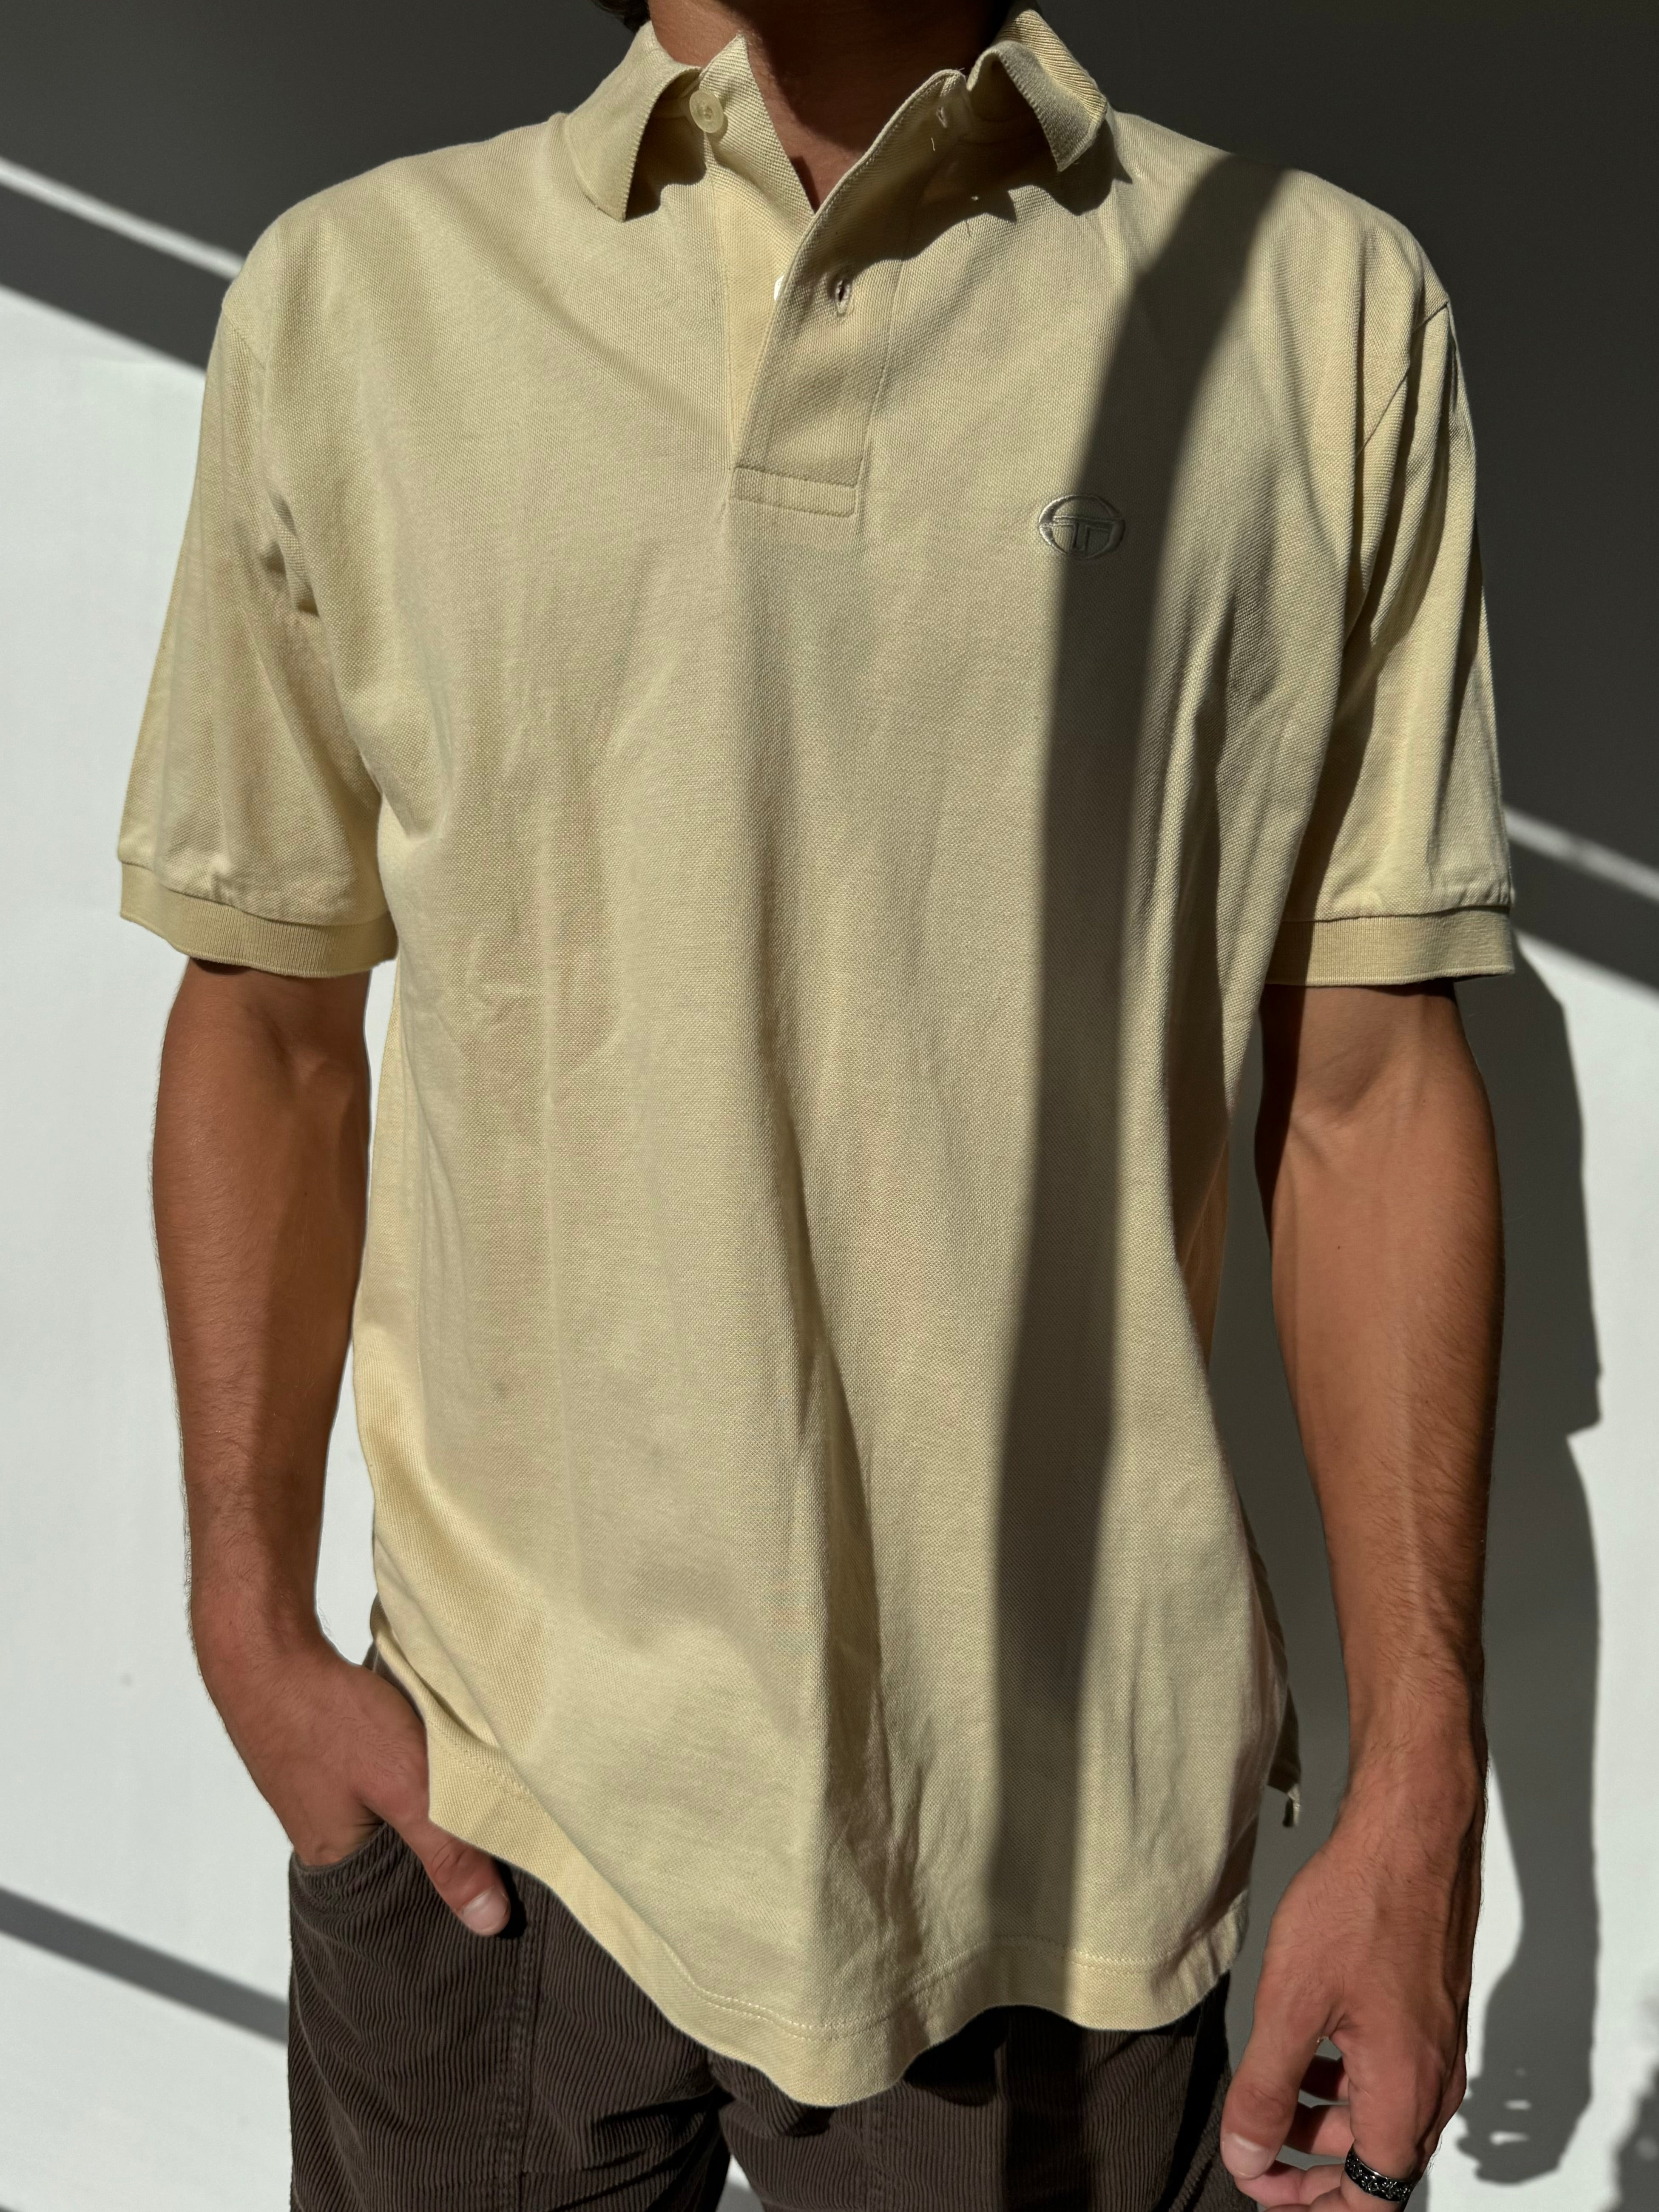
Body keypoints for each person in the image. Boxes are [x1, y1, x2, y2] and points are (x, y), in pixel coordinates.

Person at [115, 0, 1510, 2204]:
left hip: (1053, 1856)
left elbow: (1369, 1087)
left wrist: (1423, 1789)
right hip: (488, 1803)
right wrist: (245, 1618)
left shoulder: (1320, 313)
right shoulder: (358, 301)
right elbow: (269, 1015)